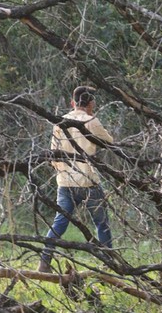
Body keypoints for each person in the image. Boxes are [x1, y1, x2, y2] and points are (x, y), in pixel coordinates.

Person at [38, 86, 114, 273]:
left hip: (65, 182)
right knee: (101, 223)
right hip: (88, 181)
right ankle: (110, 262)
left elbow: (53, 154)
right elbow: (110, 142)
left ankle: (44, 261)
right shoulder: (92, 121)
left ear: (72, 103)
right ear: (90, 103)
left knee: (59, 223)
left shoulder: (59, 123)